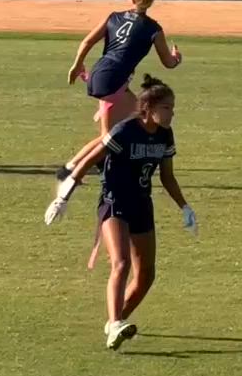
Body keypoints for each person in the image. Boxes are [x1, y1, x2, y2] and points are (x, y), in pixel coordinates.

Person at [44, 75, 197, 350]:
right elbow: (89, 160)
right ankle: (115, 323)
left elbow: (167, 177)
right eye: (167, 108)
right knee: (121, 263)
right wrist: (63, 198)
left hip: (142, 204)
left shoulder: (165, 135)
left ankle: (117, 322)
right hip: (114, 203)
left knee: (146, 276)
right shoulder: (125, 131)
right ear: (148, 108)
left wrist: (184, 207)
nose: (171, 113)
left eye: (173, 108)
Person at [57, 0, 182, 183]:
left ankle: (75, 168)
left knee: (134, 119)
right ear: (152, 1)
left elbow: (87, 41)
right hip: (112, 79)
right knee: (113, 134)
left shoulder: (113, 17)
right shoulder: (153, 29)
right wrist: (177, 58)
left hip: (103, 73)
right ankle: (75, 170)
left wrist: (77, 65)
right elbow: (168, 63)